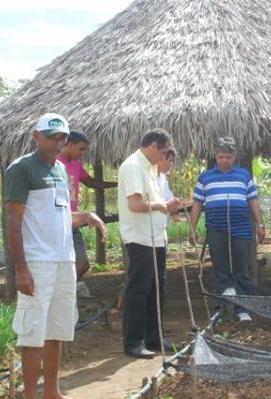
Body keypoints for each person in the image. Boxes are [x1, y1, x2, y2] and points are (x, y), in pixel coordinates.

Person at [4, 113, 106, 399]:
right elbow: (13, 222)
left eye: (61, 137)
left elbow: (59, 216)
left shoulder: (60, 170)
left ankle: (52, 391)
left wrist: (85, 216)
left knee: (57, 328)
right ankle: (31, 396)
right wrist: (21, 269)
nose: (57, 142)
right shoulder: (22, 169)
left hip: (64, 261)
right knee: (33, 331)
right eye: (51, 137)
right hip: (38, 263)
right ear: (36, 136)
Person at [118, 129, 181, 358]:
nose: (163, 158)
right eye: (163, 152)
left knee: (157, 288)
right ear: (153, 146)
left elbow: (153, 201)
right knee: (139, 290)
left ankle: (153, 337)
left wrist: (166, 204)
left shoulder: (151, 168)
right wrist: (162, 206)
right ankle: (133, 341)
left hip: (156, 237)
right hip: (140, 237)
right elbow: (135, 205)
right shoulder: (133, 166)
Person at [189, 137, 265, 322]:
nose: (224, 160)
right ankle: (221, 309)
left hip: (241, 230)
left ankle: (242, 309)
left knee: (241, 270)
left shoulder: (244, 175)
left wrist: (260, 224)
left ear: (235, 157)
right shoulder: (205, 177)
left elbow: (252, 200)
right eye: (221, 157)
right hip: (216, 230)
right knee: (220, 271)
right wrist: (192, 228)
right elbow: (197, 204)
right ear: (215, 156)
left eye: (228, 157)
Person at [57, 131, 117, 280]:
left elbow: (90, 181)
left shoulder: (76, 164)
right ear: (69, 145)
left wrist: (116, 184)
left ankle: (64, 290)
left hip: (73, 221)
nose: (83, 153)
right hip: (56, 220)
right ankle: (62, 292)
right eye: (81, 149)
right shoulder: (53, 164)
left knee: (82, 264)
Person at [156, 148, 180, 226]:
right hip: (151, 228)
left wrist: (178, 204)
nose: (171, 164)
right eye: (170, 160)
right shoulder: (149, 177)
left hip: (163, 226)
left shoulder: (163, 178)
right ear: (161, 158)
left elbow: (170, 198)